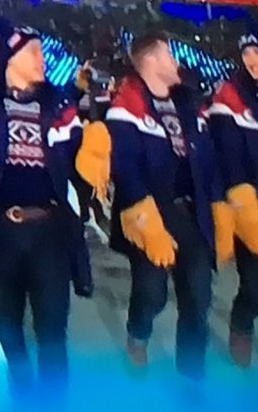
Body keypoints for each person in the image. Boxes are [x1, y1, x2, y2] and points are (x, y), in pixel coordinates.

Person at [0, 19, 100, 394]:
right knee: (6, 319)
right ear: (11, 59)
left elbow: (78, 156)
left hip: (51, 230)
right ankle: (21, 378)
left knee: (53, 328)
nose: (42, 59)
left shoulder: (58, 108)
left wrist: (94, 151)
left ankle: (53, 410)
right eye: (34, 51)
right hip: (1, 231)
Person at [106, 31, 226, 381]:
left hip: (191, 212)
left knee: (198, 296)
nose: (176, 62)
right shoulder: (125, 108)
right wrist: (146, 219)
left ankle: (191, 375)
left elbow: (209, 162)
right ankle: (138, 332)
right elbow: (126, 170)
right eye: (169, 55)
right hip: (151, 214)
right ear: (153, 61)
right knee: (152, 291)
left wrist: (218, 206)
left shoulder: (189, 106)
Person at [205, 33, 258, 368]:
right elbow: (227, 152)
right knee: (254, 281)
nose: (252, 59)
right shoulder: (230, 96)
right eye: (247, 53)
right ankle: (241, 325)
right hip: (248, 204)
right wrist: (242, 197)